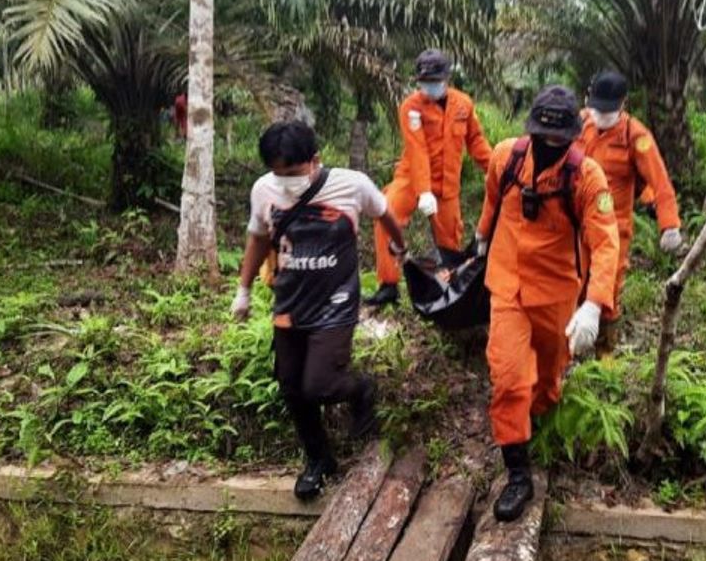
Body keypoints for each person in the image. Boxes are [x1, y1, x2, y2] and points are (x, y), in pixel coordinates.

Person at [231, 121, 406, 500]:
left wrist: (398, 245)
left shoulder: (352, 184)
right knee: (292, 388)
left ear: (315, 161)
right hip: (290, 302)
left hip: (336, 300)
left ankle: (362, 390)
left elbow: (385, 212)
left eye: (292, 173)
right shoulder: (263, 190)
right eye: (278, 173)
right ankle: (318, 459)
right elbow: (258, 238)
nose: (285, 181)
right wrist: (243, 290)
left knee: (320, 384)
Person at [474, 85, 620, 522]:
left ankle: (536, 416)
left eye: (561, 140)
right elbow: (493, 199)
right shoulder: (507, 157)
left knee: (548, 377)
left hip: (557, 292)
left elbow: (606, 241)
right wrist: (481, 236)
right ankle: (519, 472)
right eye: (544, 137)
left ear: (574, 136)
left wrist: (593, 304)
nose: (551, 146)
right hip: (507, 284)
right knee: (508, 377)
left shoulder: (587, 176)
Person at [366, 49, 493, 306]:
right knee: (385, 215)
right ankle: (388, 284)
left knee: (449, 242)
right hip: (412, 177)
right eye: (425, 82)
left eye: (435, 82)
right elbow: (417, 149)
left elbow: (476, 142)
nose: (430, 87)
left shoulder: (463, 104)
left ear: (446, 78)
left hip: (447, 185)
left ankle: (447, 289)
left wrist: (496, 171)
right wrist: (423, 190)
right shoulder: (411, 107)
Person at [577, 71, 683, 356]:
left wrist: (669, 225)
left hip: (613, 229)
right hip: (576, 223)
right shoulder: (581, 123)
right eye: (596, 109)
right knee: (574, 283)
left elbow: (658, 180)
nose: (601, 116)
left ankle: (606, 358)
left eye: (607, 112)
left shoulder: (635, 136)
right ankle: (569, 354)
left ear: (622, 105)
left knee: (607, 293)